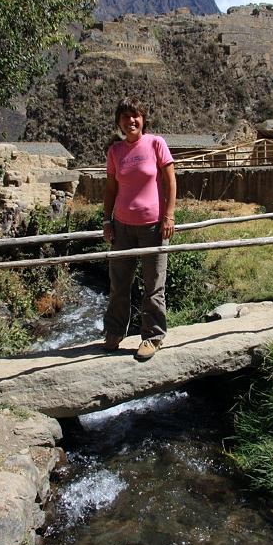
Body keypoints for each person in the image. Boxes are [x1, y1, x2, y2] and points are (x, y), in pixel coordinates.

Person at [102, 97, 176, 361]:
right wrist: (107, 220)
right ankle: (114, 332)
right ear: (119, 122)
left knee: (153, 285)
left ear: (143, 119)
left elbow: (170, 181)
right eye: (124, 117)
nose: (130, 121)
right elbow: (111, 189)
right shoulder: (116, 151)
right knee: (119, 284)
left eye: (135, 116)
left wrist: (169, 216)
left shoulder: (156, 144)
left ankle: (152, 337)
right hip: (122, 228)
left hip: (153, 227)